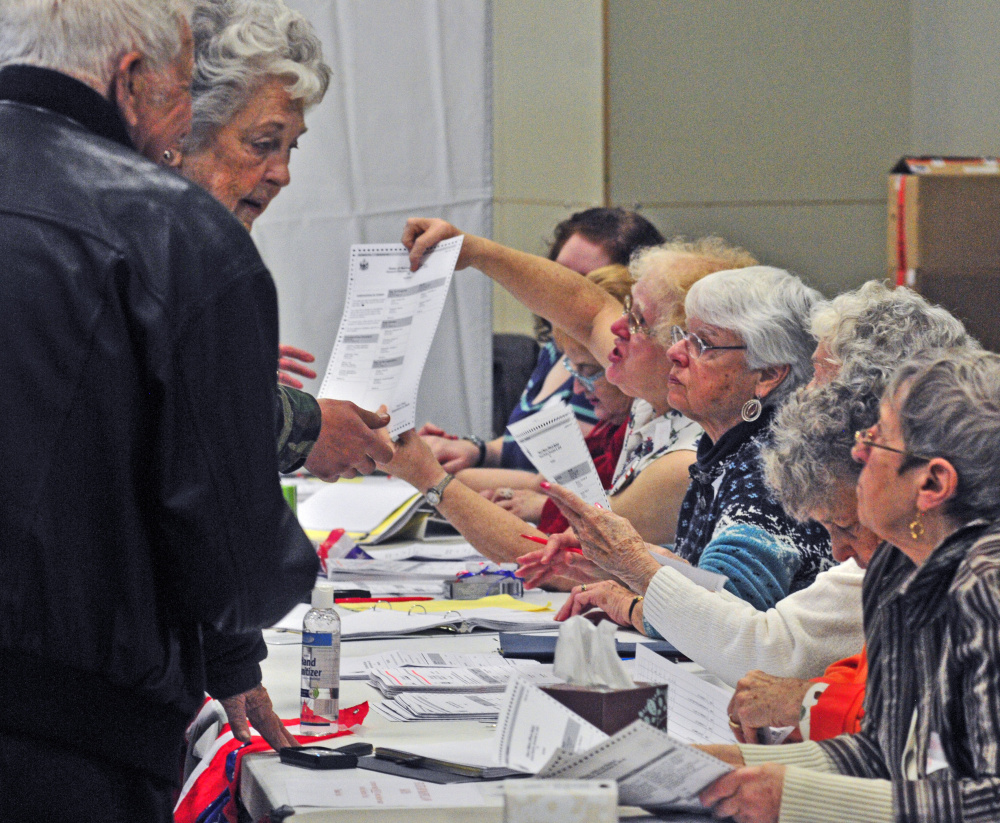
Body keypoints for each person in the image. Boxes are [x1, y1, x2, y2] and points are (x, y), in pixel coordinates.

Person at [0, 1, 318, 820]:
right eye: (182, 90)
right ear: (133, 82)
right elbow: (235, 557)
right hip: (66, 738)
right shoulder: (174, 234)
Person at [699, 347, 1000, 823]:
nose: (858, 454)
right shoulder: (895, 570)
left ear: (932, 484)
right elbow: (885, 755)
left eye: (877, 440)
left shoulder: (989, 587)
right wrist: (740, 766)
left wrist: (800, 799)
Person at [525, 265, 832, 610]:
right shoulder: (724, 452)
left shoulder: (771, 468)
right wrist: (622, 565)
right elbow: (708, 578)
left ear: (767, 375)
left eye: (703, 343)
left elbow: (722, 615)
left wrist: (628, 595)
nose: (675, 352)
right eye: (683, 335)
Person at [374, 265, 633, 570]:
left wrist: (428, 476)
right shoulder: (612, 425)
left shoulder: (647, 440)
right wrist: (475, 452)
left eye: (589, 372)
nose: (577, 385)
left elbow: (571, 564)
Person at [421, 207, 664, 479]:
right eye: (555, 272)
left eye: (583, 284)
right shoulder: (554, 350)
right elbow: (530, 446)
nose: (558, 291)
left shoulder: (621, 373)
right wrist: (475, 450)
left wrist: (429, 478)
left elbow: (563, 483)